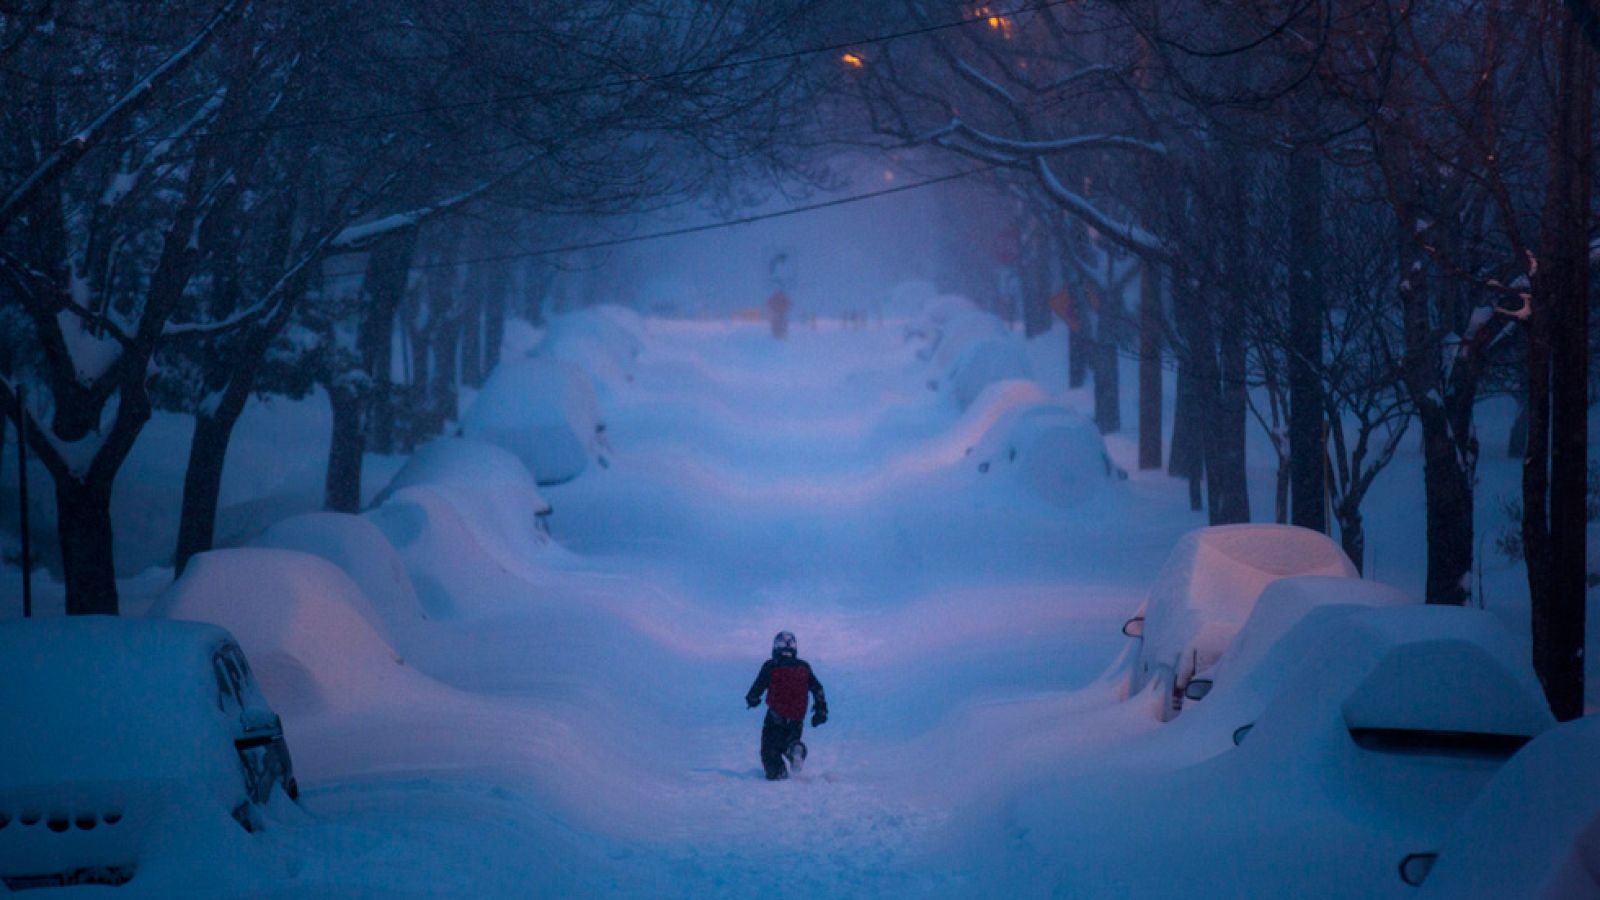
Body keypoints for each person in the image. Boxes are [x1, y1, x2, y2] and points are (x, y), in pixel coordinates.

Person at [745, 631, 827, 780]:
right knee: (789, 742)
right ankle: (794, 749)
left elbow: (757, 688)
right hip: (797, 717)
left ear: (776, 647)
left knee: (769, 749)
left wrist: (752, 699)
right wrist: (821, 710)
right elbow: (817, 688)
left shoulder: (771, 665)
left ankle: (778, 774)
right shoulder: (804, 667)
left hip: (775, 716)